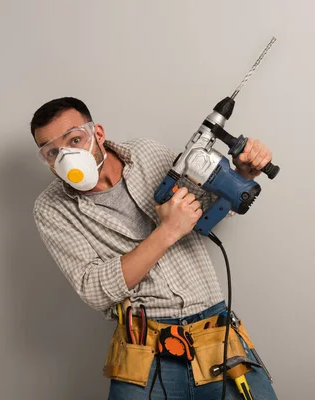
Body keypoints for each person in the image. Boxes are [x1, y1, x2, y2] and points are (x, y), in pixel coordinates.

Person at [30, 97, 278, 399]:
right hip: (142, 348)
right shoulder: (51, 207)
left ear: (97, 133)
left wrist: (242, 175)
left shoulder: (146, 154)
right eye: (52, 152)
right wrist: (167, 232)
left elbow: (208, 208)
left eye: (75, 140)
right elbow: (93, 289)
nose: (66, 157)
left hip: (216, 334)